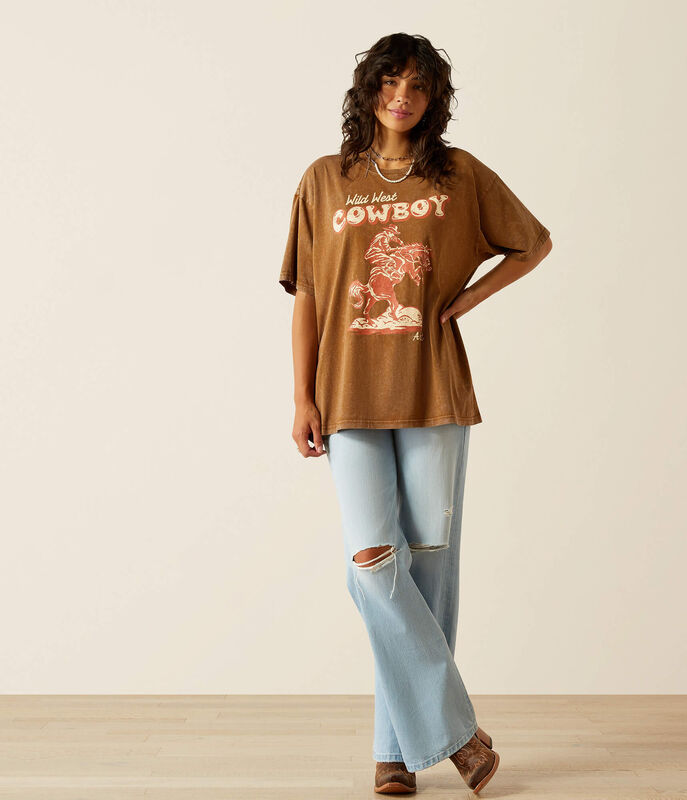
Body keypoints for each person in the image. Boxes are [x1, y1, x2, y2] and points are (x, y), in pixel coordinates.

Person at [279, 33, 553, 795]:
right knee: (374, 564)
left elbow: (532, 243)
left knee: (426, 570)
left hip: (433, 390)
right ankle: (459, 736)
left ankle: (393, 752)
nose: (403, 96)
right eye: (391, 81)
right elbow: (309, 296)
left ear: (435, 99)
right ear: (368, 88)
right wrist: (301, 396)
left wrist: (466, 300)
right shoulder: (325, 179)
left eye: (420, 86)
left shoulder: (457, 175)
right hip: (346, 394)